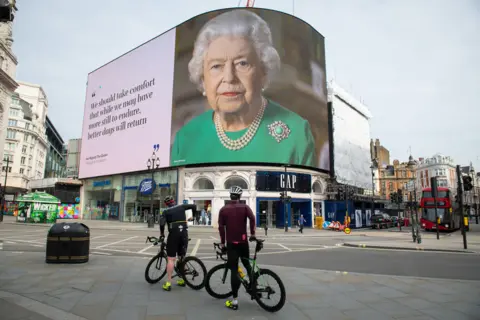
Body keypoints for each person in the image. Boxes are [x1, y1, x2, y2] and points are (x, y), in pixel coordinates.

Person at [170, 9, 317, 168]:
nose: (229, 77)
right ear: (203, 78)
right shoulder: (185, 140)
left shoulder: (296, 133)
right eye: (216, 66)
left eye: (242, 63)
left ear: (263, 72)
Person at [218, 186, 256, 311]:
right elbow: (252, 219)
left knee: (234, 270)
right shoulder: (245, 207)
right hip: (243, 242)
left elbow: (221, 228)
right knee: (247, 265)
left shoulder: (224, 209)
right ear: (240, 196)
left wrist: (222, 243)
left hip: (231, 243)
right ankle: (253, 288)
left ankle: (234, 301)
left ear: (230, 196)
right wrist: (252, 234)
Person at [159, 196, 196, 291]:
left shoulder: (165, 211)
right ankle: (183, 280)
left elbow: (162, 223)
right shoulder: (182, 206)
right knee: (181, 258)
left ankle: (168, 283)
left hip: (174, 235)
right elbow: (194, 206)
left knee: (171, 259)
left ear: (166, 204)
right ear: (174, 201)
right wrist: (194, 216)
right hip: (184, 234)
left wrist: (162, 234)